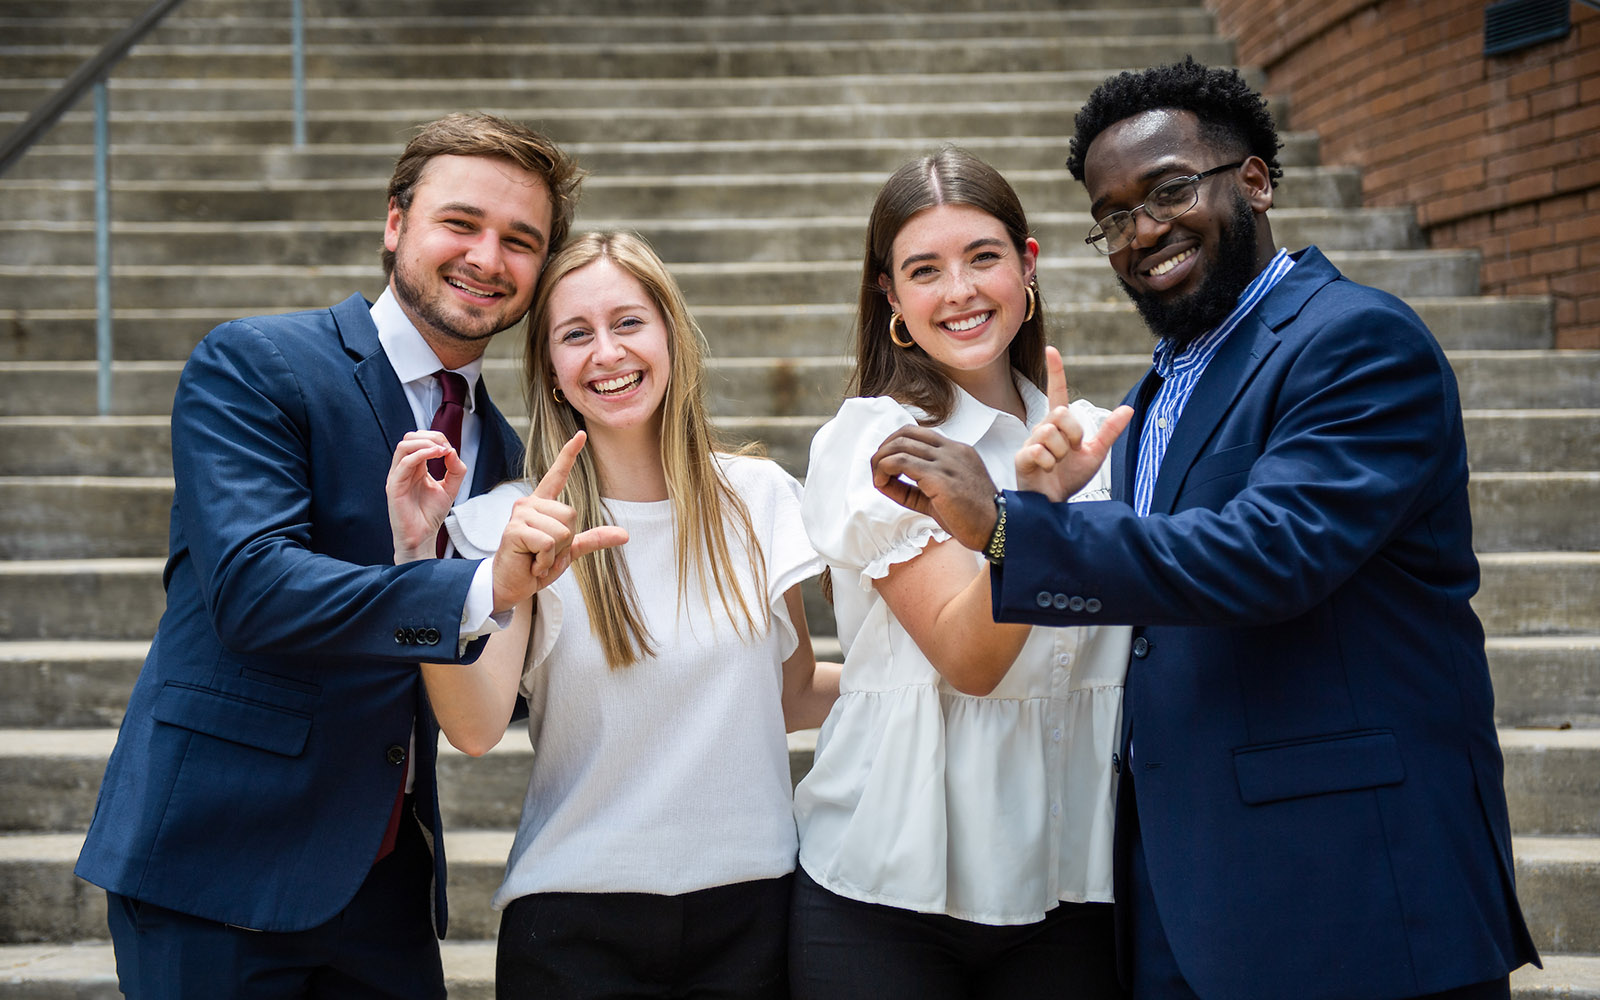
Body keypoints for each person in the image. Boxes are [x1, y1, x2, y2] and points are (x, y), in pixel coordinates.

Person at [868, 60, 1541, 1000]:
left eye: (1171, 189)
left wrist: (1012, 531)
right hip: (1191, 901)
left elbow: (1272, 552)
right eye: (1113, 216)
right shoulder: (1156, 389)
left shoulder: (1356, 340)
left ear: (1257, 179)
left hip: (1352, 894)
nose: (1144, 231)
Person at [74, 113, 583, 999]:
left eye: (521, 240)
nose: (487, 258)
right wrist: (476, 585)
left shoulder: (505, 451)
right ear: (396, 224)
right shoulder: (259, 362)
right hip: (218, 863)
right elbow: (253, 589)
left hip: (385, 888)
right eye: (460, 223)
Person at [385, 229, 839, 999]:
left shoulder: (761, 499)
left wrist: (930, 676)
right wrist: (417, 556)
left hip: (755, 912)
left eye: (628, 322)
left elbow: (791, 693)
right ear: (554, 373)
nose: (607, 352)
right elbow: (474, 727)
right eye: (575, 334)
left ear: (670, 334)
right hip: (573, 928)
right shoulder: (513, 522)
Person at [788, 148, 1130, 1000]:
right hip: (887, 892)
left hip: (1073, 884)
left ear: (1029, 264)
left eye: (983, 257)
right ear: (891, 298)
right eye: (924, 270)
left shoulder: (1098, 441)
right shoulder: (876, 440)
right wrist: (1037, 516)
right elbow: (969, 660)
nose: (960, 291)